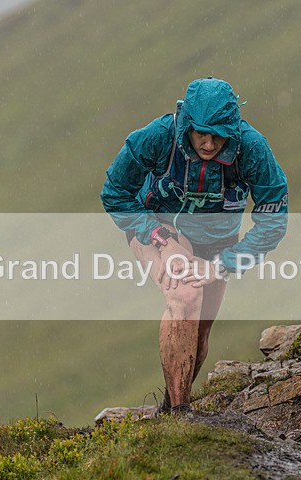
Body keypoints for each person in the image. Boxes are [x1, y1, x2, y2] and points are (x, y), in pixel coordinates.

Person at [101, 77, 288, 414]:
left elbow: (273, 222)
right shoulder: (159, 136)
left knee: (200, 329)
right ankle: (180, 415)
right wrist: (162, 238)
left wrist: (224, 263)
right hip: (159, 226)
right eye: (200, 131)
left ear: (233, 128)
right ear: (187, 123)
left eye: (218, 134)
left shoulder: (253, 148)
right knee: (185, 298)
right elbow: (114, 192)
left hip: (219, 242)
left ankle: (170, 407)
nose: (208, 141)